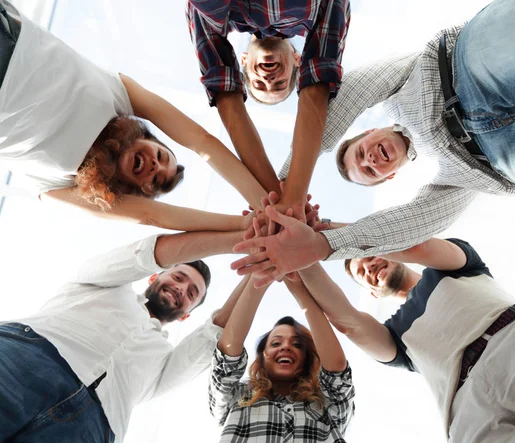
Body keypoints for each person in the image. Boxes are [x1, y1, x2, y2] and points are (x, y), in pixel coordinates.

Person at [277, 0, 515, 260]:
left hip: (471, 72)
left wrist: (289, 181)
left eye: (361, 153)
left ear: (370, 131)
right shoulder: (449, 179)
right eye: (370, 171)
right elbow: (417, 223)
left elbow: (351, 94)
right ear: (389, 177)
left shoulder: (395, 93)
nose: (370, 160)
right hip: (510, 158)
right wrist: (329, 244)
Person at [238, 214, 515, 441]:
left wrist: (329, 235)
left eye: (367, 255)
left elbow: (420, 247)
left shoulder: (458, 266)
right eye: (358, 272)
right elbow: (347, 320)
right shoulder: (397, 336)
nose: (366, 265)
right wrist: (294, 257)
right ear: (370, 291)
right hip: (468, 410)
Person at [0, 0, 266, 231]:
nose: (155, 167)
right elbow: (202, 141)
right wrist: (266, 204)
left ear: (131, 191)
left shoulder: (62, 186)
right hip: (10, 36)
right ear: (147, 137)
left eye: (156, 180)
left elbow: (152, 216)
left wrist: (245, 224)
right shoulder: (121, 97)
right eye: (162, 156)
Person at [0, 227, 251, 443]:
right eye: (178, 276)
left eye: (192, 293)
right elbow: (143, 256)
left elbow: (213, 335)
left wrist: (257, 271)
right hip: (26, 360)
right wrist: (244, 236)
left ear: (186, 315)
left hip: (90, 426)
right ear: (155, 275)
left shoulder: (165, 362)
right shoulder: (105, 284)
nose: (181, 288)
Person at [186, 0, 351, 220]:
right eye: (280, 84)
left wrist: (275, 205)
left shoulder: (218, 17)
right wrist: (291, 202)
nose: (269, 80)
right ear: (297, 60)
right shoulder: (316, 13)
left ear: (243, 61)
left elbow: (226, 96)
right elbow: (317, 84)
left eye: (259, 84)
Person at [210, 221, 354, 442]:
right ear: (262, 355)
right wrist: (260, 276)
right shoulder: (237, 397)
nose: (286, 346)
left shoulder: (326, 402)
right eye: (276, 343)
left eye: (297, 344)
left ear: (308, 356)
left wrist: (295, 280)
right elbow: (227, 356)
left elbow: (336, 368)